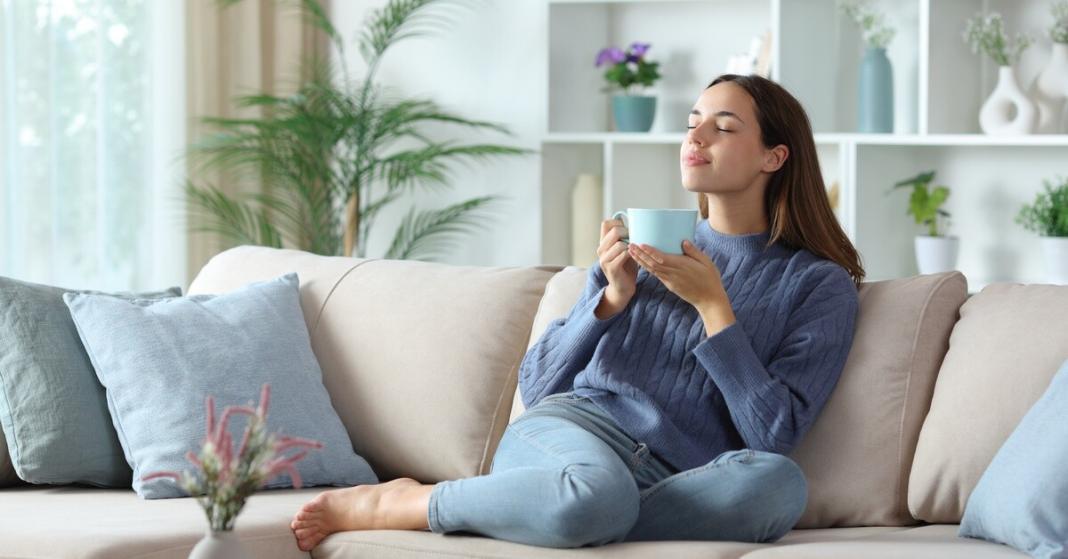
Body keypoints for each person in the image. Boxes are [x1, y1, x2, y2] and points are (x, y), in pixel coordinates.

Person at [289, 73, 864, 552]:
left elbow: (772, 436)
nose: (697, 136)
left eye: (724, 126)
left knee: (778, 486)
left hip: (676, 476)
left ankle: (584, 515)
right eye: (693, 122)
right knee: (596, 492)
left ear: (774, 156)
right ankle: (408, 501)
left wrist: (714, 306)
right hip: (571, 432)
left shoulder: (817, 284)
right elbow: (538, 391)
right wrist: (609, 300)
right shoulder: (642, 243)